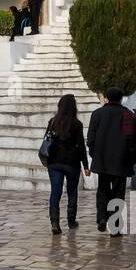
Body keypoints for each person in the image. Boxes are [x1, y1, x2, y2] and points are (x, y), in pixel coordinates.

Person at [87, 87, 136, 235]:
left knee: (102, 189)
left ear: (107, 98)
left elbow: (91, 138)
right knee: (118, 193)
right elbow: (131, 139)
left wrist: (94, 154)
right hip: (121, 160)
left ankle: (102, 217)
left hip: (102, 159)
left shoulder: (97, 114)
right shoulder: (128, 115)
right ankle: (115, 226)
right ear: (121, 99)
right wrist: (131, 158)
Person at [43, 93, 88, 235]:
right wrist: (86, 166)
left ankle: (55, 223)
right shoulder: (76, 124)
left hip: (54, 162)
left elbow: (46, 140)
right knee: (72, 191)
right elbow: (81, 147)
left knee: (55, 191)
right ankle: (71, 221)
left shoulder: (52, 122)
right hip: (71, 162)